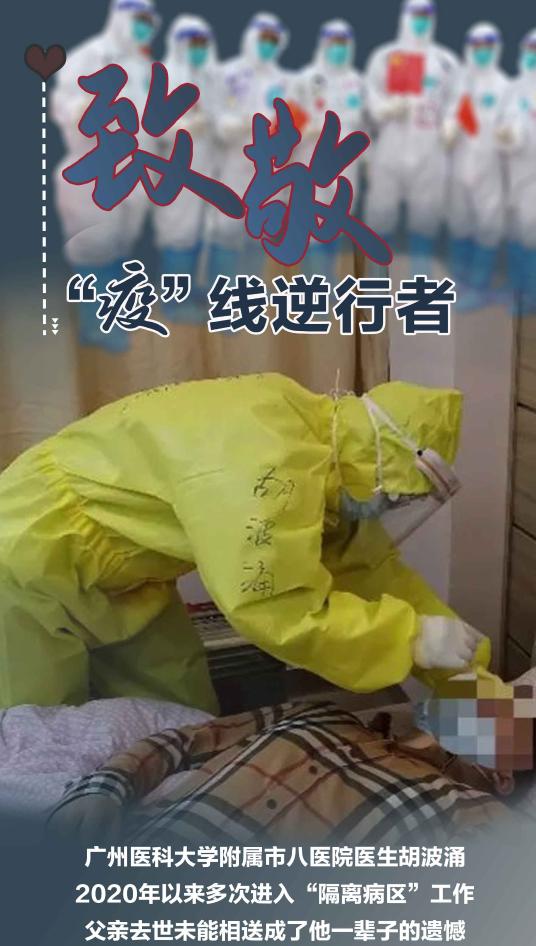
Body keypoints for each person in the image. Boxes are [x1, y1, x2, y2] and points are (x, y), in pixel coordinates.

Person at [0, 372, 512, 713]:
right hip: (27, 554)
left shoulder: (322, 447)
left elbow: (370, 571)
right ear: (385, 458)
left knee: (182, 718)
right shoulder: (268, 460)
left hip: (129, 575)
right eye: (396, 495)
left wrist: (476, 688)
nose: (388, 508)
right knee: (41, 735)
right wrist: (410, 639)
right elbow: (276, 608)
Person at [50, 0, 161, 350]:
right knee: (95, 244)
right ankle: (96, 325)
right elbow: (62, 102)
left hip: (134, 169)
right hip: (97, 169)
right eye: (138, 18)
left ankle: (109, 317)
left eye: (149, 20)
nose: (143, 26)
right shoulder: (89, 56)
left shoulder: (144, 65)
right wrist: (79, 109)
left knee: (122, 243)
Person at [364, 0, 459, 273]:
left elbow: (456, 99)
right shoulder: (384, 57)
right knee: (380, 211)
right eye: (415, 14)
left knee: (426, 215)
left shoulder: (446, 61)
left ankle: (421, 278)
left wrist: (451, 123)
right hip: (390, 146)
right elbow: (370, 95)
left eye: (426, 15)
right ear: (404, 16)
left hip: (430, 149)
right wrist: (384, 108)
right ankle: (376, 277)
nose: (421, 20)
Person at [206, 12, 291, 284]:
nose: (268, 45)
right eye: (263, 38)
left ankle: (249, 292)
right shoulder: (227, 73)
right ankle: (221, 291)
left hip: (268, 166)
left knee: (260, 229)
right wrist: (237, 124)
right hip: (233, 160)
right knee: (227, 225)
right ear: (251, 38)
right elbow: (214, 115)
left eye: (273, 40)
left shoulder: (283, 81)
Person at [153, 15, 219, 324]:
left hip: (202, 165)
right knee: (178, 231)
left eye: (203, 43)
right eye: (193, 43)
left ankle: (190, 288)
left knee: (196, 229)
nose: (199, 49)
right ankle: (174, 301)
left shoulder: (206, 78)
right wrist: (184, 126)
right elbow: (153, 127)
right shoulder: (164, 77)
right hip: (175, 168)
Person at [290, 19, 366, 281]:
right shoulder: (305, 78)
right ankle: (314, 282)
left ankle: (328, 279)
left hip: (346, 165)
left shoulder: (355, 81)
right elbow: (288, 120)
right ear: (323, 43)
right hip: (313, 159)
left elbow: (362, 122)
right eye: (334, 42)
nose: (339, 48)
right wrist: (304, 131)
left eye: (344, 42)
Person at [441, 23, 509, 311]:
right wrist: (448, 127)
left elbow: (511, 126)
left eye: (487, 46)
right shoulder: (458, 83)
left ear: (496, 48)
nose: (482, 52)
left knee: (488, 224)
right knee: (459, 222)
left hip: (489, 167)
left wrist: (507, 137)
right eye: (477, 46)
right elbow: (447, 113)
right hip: (458, 163)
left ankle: (479, 287)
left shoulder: (504, 86)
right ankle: (461, 281)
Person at [497, 28, 536, 314]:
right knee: (522, 231)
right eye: (531, 49)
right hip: (521, 176)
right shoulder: (512, 90)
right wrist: (508, 135)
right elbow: (504, 128)